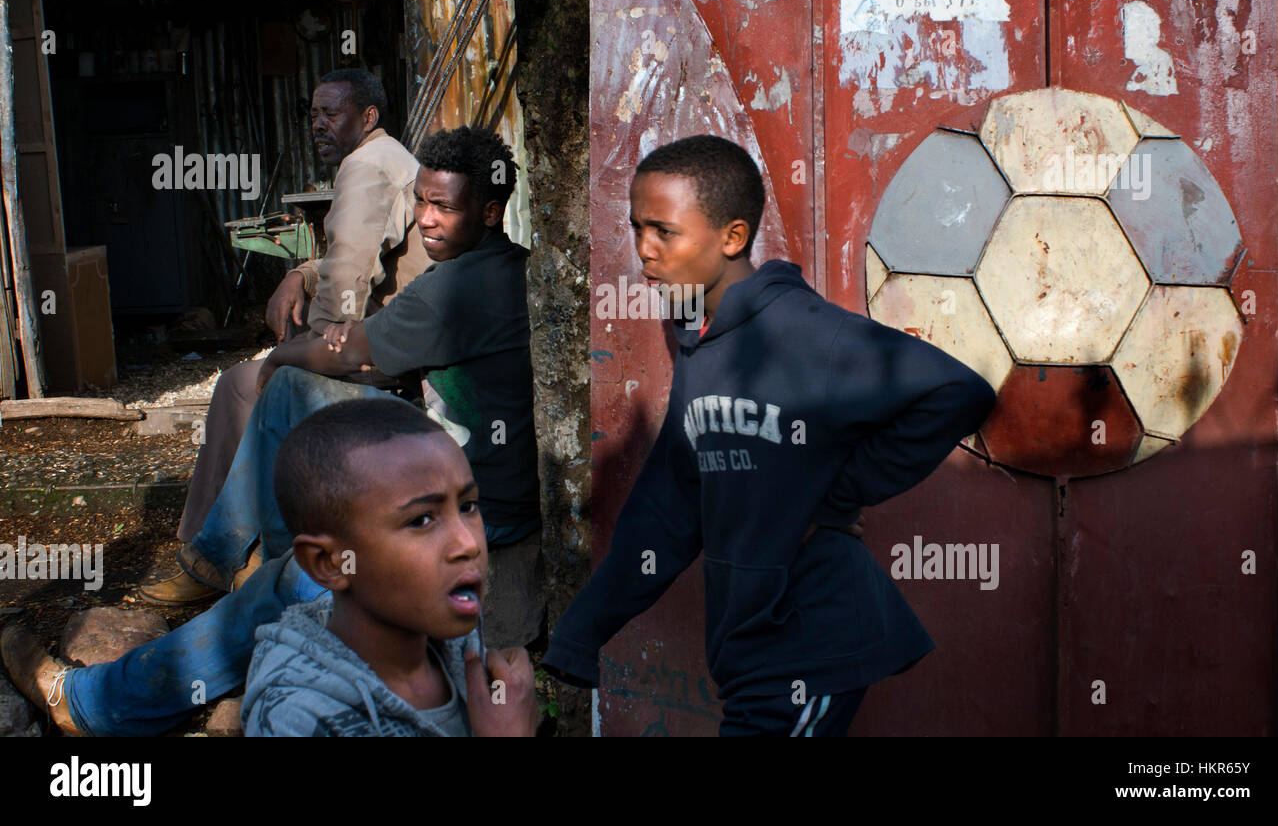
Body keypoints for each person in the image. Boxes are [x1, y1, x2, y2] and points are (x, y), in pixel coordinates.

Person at [0, 127, 542, 735]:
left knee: (288, 401)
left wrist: (284, 355)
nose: (427, 220)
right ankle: (222, 559)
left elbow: (352, 355)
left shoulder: (459, 285)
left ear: (491, 212)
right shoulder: (505, 266)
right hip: (455, 465)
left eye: (445, 206)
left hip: (474, 505)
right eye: (421, 201)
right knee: (293, 396)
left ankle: (90, 702)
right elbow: (374, 353)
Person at [541, 134, 998, 736]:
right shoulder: (700, 351)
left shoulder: (806, 332)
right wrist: (580, 637)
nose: (644, 251)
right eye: (636, 228)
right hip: (747, 651)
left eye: (664, 231)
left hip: (809, 642)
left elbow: (957, 391)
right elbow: (666, 513)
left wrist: (830, 497)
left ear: (731, 237)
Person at [147, 68, 429, 605]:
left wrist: (305, 352)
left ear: (368, 117)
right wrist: (301, 272)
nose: (318, 125)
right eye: (314, 114)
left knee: (242, 386)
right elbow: (357, 254)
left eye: (332, 114)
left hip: (390, 352)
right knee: (261, 374)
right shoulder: (387, 155)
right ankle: (225, 550)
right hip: (398, 336)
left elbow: (348, 280)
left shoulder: (365, 167)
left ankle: (214, 551)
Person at [242, 398, 537, 736]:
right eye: (421, 519)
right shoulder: (297, 721)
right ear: (329, 563)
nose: (468, 544)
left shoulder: (461, 651)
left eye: (468, 506)